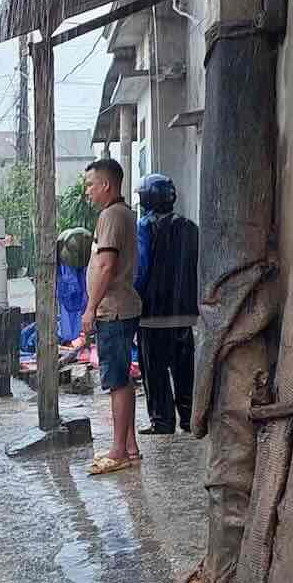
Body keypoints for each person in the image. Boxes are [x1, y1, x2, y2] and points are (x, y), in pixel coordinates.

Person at [80, 158, 144, 475]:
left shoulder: (110, 216)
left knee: (117, 380)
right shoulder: (123, 214)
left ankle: (118, 450)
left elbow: (106, 266)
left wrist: (90, 308)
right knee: (123, 380)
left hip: (114, 309)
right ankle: (129, 447)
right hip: (122, 306)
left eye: (90, 185)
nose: (88, 192)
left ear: (106, 185)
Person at [134, 173, 199, 435]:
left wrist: (135, 299)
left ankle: (162, 421)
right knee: (185, 370)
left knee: (155, 370)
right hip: (185, 313)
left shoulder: (144, 227)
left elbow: (141, 267)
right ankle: (189, 418)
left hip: (153, 314)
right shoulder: (191, 227)